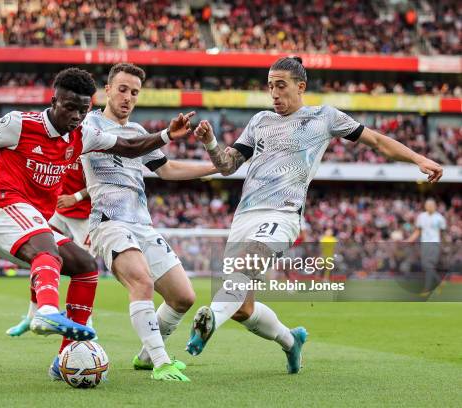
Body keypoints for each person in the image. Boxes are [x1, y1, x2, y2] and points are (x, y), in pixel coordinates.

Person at [0, 67, 196, 352]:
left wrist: (166, 136)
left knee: (84, 266)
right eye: (69, 107)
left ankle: (69, 354)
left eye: (83, 110)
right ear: (53, 100)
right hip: (0, 208)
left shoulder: (84, 135)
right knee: (48, 247)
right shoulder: (19, 123)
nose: (76, 116)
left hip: (32, 222)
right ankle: (45, 310)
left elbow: (129, 147)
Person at [188, 56, 443, 374]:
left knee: (245, 266)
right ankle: (291, 341)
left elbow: (377, 141)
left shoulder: (324, 117)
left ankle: (207, 323)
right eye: (270, 87)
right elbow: (227, 167)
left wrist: (419, 158)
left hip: (283, 214)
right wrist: (211, 143)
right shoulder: (259, 121)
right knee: (241, 307)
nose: (275, 94)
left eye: (281, 86)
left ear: (301, 86)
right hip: (245, 216)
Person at [76, 63, 218, 382]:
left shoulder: (139, 132)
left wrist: (214, 168)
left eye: (135, 92)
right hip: (108, 222)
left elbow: (166, 170)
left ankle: (143, 357)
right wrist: (165, 135)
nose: (128, 97)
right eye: (122, 89)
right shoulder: (88, 125)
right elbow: (123, 149)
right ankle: (160, 361)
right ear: (108, 90)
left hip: (142, 224)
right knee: (142, 282)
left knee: (183, 297)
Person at [6, 157, 93, 337]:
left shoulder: (91, 139)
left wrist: (76, 197)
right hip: (57, 212)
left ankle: (84, 324)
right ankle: (33, 315)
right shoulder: (58, 140)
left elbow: (102, 182)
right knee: (41, 258)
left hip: (85, 217)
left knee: (84, 269)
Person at [407, 198, 447, 294]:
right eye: (427, 205)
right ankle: (439, 282)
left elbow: (443, 233)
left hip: (434, 243)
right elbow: (418, 231)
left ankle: (427, 289)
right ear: (425, 206)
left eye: (431, 205)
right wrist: (410, 239)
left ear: (435, 206)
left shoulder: (440, 218)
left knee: (429, 265)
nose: (429, 207)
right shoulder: (421, 216)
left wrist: (444, 245)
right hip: (424, 243)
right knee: (426, 265)